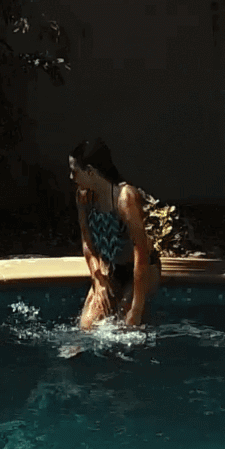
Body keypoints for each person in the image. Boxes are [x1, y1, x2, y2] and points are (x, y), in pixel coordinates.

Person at [69, 138, 158, 331]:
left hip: (142, 268)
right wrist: (98, 281)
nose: (71, 177)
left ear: (90, 171)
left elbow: (141, 253)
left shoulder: (125, 198)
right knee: (87, 326)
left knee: (126, 326)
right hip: (112, 269)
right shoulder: (83, 197)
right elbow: (87, 243)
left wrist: (136, 307)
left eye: (74, 171)